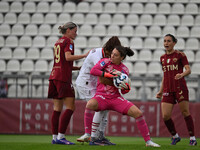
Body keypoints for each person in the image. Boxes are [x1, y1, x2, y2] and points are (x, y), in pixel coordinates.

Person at [86, 46, 160, 147]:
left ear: (122, 57)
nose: (112, 56)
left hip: (115, 98)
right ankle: (89, 135)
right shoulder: (105, 62)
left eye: (115, 55)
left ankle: (148, 142)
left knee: (138, 113)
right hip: (101, 96)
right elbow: (93, 71)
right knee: (90, 104)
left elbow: (123, 91)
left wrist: (126, 87)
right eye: (112, 53)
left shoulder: (124, 70)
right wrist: (109, 75)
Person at [48, 22, 89, 145]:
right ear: (68, 30)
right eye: (75, 31)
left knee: (57, 109)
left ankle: (55, 138)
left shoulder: (58, 42)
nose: (76, 34)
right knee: (71, 107)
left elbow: (63, 63)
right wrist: (85, 55)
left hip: (54, 76)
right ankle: (61, 136)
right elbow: (67, 58)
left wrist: (78, 68)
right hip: (63, 79)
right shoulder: (68, 42)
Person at [76, 36, 121, 144]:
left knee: (104, 108)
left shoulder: (101, 53)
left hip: (92, 84)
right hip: (85, 83)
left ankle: (100, 135)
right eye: (111, 53)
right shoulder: (97, 55)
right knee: (99, 108)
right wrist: (117, 83)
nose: (112, 57)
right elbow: (101, 76)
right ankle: (93, 137)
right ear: (108, 49)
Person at [156, 34, 197, 146]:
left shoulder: (180, 55)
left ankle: (192, 138)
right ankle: (175, 136)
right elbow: (165, 75)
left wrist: (181, 74)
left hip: (180, 88)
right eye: (165, 41)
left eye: (169, 41)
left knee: (185, 112)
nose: (166, 43)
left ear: (174, 43)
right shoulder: (162, 58)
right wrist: (160, 90)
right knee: (165, 116)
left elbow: (188, 70)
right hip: (167, 89)